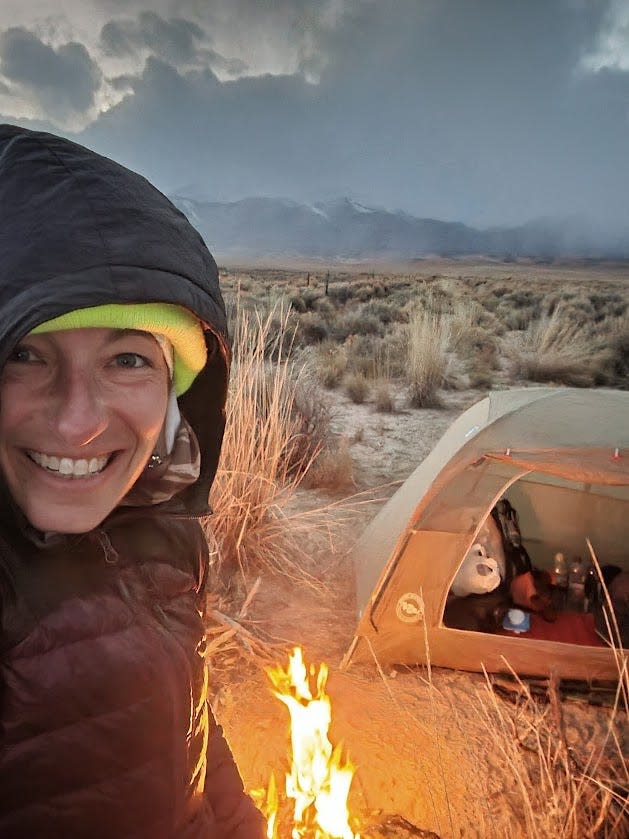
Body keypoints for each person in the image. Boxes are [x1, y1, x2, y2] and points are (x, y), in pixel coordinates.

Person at [0, 124, 266, 838]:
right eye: (26, 354)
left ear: (176, 391)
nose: (80, 423)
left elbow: (193, 735)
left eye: (128, 360)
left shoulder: (163, 528)